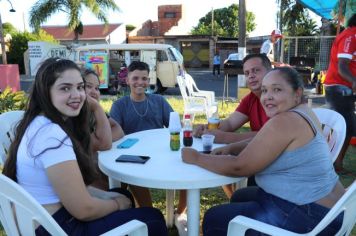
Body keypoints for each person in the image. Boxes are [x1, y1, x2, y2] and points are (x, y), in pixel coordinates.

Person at [2, 58, 168, 236]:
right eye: (65, 88)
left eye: (80, 87)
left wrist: (114, 198)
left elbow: (71, 188)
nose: (77, 95)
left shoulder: (39, 123)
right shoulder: (52, 137)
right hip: (56, 228)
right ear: (45, 92)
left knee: (123, 194)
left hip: (43, 217)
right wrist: (117, 204)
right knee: (153, 218)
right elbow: (83, 210)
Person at [182, 67, 345, 236]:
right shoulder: (304, 111)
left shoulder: (285, 121)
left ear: (297, 93)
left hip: (310, 218)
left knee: (213, 218)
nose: (267, 97)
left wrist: (195, 157)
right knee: (240, 196)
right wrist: (232, 147)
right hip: (333, 210)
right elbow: (262, 141)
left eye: (277, 89)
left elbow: (239, 167)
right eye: (265, 90)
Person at [110, 61, 188, 236]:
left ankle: (180, 213)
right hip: (134, 158)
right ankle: (148, 217)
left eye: (144, 78)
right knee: (137, 189)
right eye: (135, 78)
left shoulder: (159, 101)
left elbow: (175, 125)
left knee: (188, 170)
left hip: (160, 153)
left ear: (149, 80)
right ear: (127, 80)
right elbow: (114, 135)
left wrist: (184, 124)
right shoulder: (119, 105)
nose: (140, 82)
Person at [194, 54, 272, 195]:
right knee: (222, 160)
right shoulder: (251, 98)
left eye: (256, 71)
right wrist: (208, 129)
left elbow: (266, 136)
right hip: (260, 159)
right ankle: (233, 198)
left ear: (269, 71)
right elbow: (230, 123)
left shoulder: (276, 99)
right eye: (247, 73)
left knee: (223, 161)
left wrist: (222, 137)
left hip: (274, 170)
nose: (251, 76)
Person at [323, 13, 356, 172]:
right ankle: (334, 163)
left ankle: (336, 163)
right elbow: (342, 67)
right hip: (338, 86)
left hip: (345, 86)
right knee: (345, 126)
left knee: (347, 126)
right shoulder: (350, 36)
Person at [83, 68, 125, 190]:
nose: (94, 92)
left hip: (95, 165)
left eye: (97, 88)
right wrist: (102, 141)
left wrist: (102, 139)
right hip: (83, 180)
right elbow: (104, 144)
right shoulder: (74, 116)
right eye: (88, 86)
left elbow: (118, 129)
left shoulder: (92, 112)